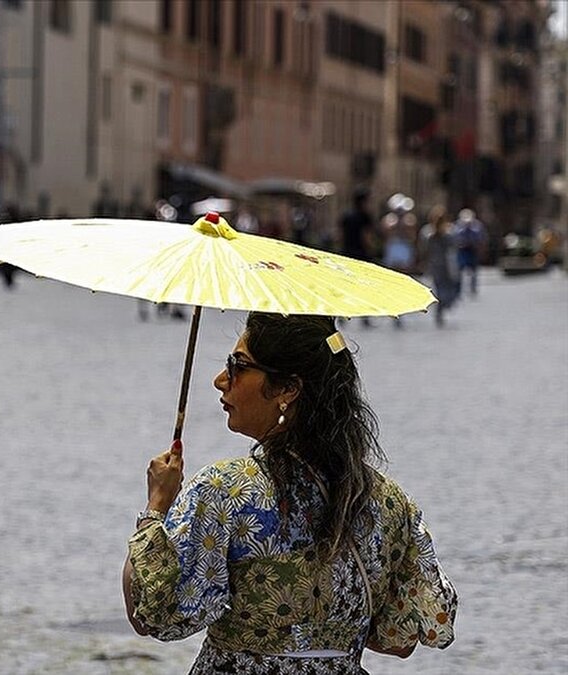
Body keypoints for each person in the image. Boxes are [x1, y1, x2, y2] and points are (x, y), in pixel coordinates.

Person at [122, 313, 457, 673]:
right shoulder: (386, 502)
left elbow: (152, 615)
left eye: (238, 366)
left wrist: (156, 507)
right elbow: (400, 639)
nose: (221, 381)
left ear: (287, 389)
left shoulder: (224, 494)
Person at [339, 189, 376, 327]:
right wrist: (372, 250)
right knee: (364, 286)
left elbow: (340, 235)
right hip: (361, 254)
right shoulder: (365, 216)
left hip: (346, 253)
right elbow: (366, 236)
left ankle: (342, 314)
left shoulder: (346, 215)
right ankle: (365, 316)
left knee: (346, 285)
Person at [420, 206, 460, 327]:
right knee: (444, 290)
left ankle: (441, 308)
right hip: (441, 265)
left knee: (444, 289)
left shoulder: (447, 233)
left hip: (441, 265)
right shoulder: (429, 234)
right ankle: (440, 310)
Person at [452, 209, 486, 297]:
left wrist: (481, 249)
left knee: (473, 271)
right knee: (460, 270)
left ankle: (473, 288)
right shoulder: (457, 226)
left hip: (472, 250)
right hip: (462, 250)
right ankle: (457, 289)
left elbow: (481, 237)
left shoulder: (477, 226)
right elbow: (455, 237)